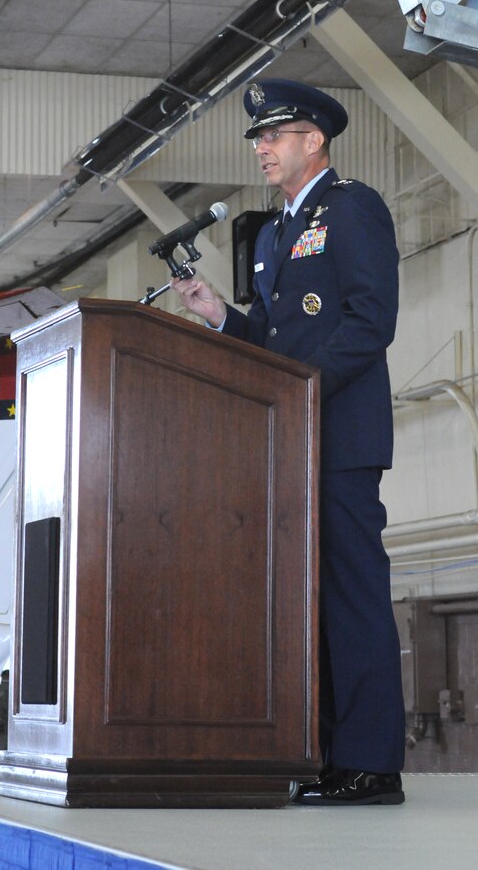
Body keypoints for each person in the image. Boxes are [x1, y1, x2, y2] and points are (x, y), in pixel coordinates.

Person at [171, 78, 406, 806]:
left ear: (315, 140)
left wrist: (299, 391)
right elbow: (275, 338)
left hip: (338, 437)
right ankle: (330, 758)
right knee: (312, 607)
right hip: (294, 442)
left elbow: (370, 321)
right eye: (257, 139)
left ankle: (371, 763)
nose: (260, 148)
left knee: (353, 598)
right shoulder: (272, 232)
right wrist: (221, 318)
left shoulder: (350, 209)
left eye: (273, 135)